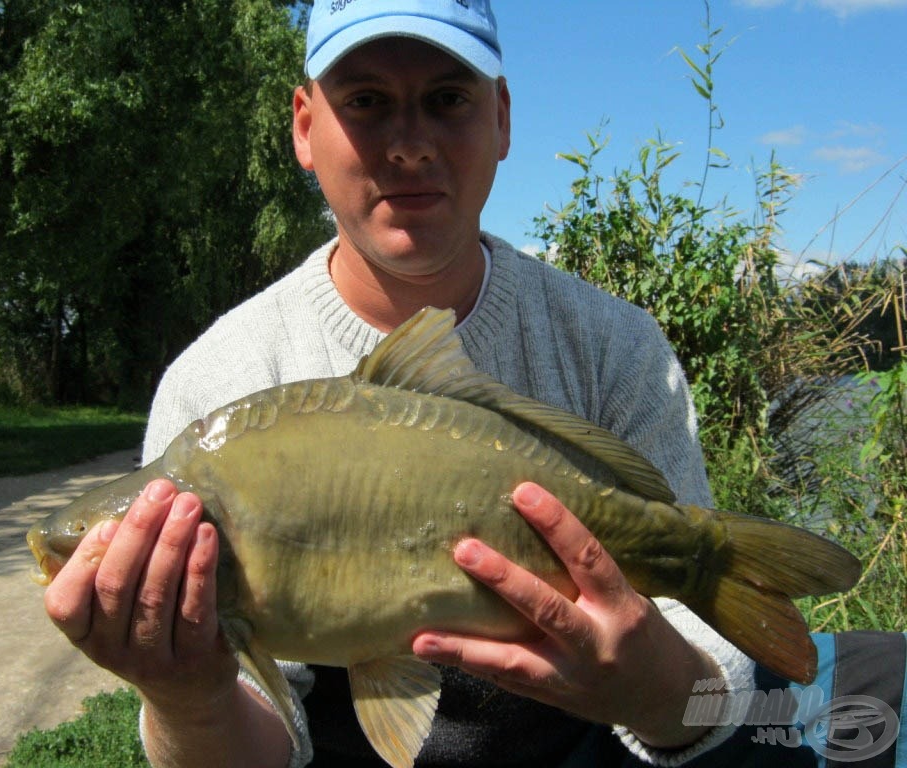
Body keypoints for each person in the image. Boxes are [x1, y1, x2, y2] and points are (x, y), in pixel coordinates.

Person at [41, 2, 760, 765]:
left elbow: (720, 696)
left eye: (448, 99)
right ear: (303, 125)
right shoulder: (216, 381)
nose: (410, 146)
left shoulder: (617, 350)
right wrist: (189, 697)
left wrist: (652, 689)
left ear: (502, 118)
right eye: (366, 102)